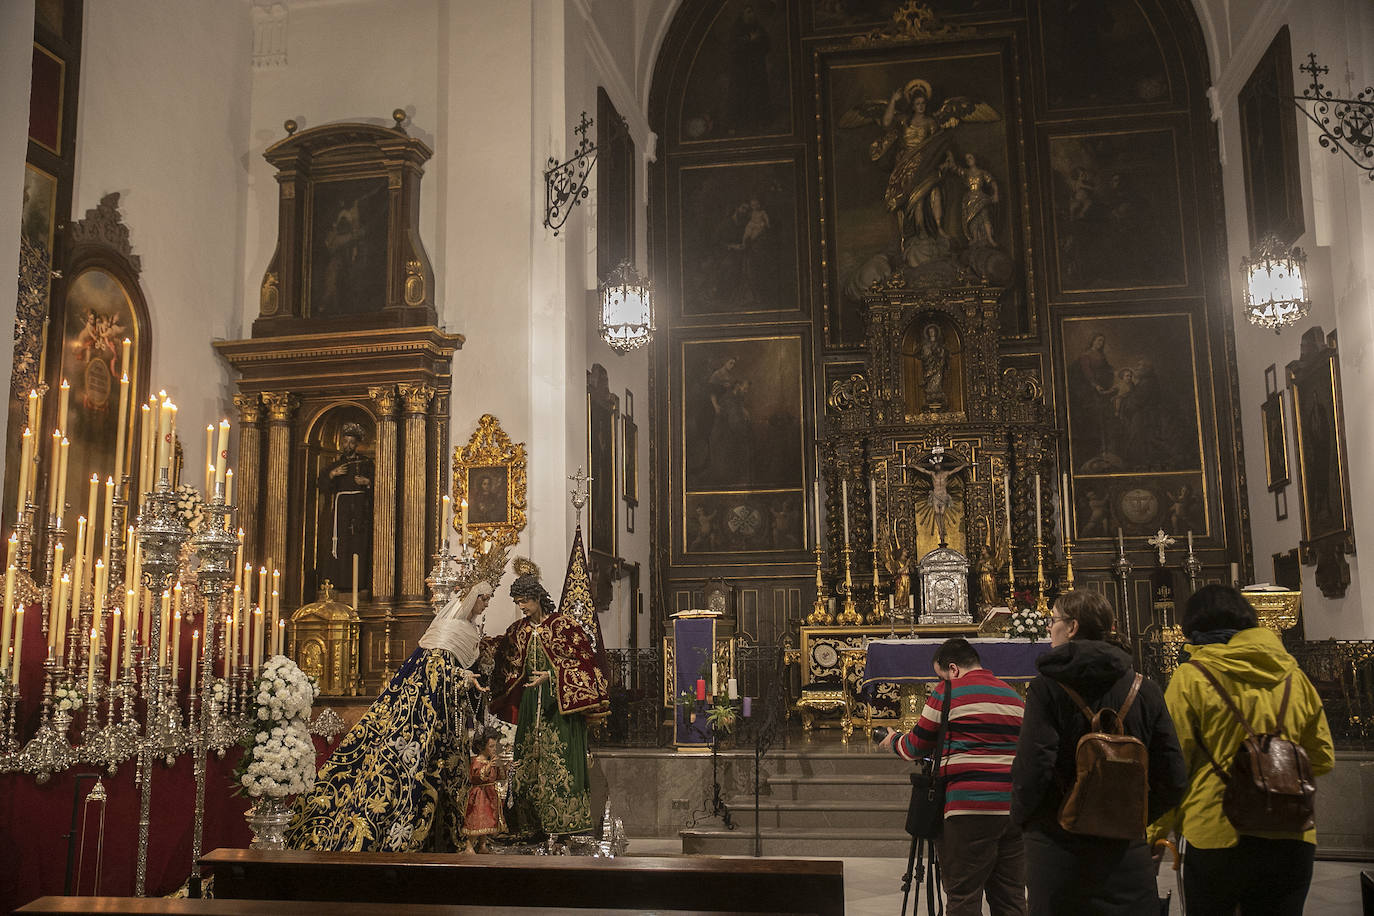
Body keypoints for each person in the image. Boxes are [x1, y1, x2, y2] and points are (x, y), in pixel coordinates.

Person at [1148, 586, 1334, 916]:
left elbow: (1172, 766)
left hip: (1216, 835)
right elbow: (1322, 756)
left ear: (1192, 627)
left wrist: (1154, 833)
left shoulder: (1191, 678)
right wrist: (1274, 767)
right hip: (1291, 831)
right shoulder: (1294, 677)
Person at [1010, 590, 1187, 915]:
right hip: (1125, 850)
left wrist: (1026, 822)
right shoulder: (1145, 689)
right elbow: (1174, 777)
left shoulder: (1046, 688)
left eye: (1053, 620)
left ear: (1073, 627)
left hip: (1057, 849)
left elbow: (1033, 768)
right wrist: (1130, 814)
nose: (1049, 627)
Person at [286, 580, 495, 852]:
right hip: (423, 717)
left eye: (489, 599)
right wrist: (462, 676)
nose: (486, 604)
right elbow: (434, 669)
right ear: (470, 598)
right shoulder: (450, 628)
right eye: (484, 598)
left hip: (447, 716)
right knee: (416, 774)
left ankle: (447, 840)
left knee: (449, 775)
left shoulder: (468, 629)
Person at [880, 638, 1027, 916]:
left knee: (963, 896)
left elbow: (914, 747)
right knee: (1011, 897)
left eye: (940, 675)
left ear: (953, 669)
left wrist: (894, 740)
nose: (941, 681)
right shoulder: (1013, 696)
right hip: (1012, 807)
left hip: (968, 808)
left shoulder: (947, 690)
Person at [494, 569, 609, 838]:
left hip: (560, 705)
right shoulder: (518, 630)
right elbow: (504, 662)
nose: (522, 606)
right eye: (518, 602)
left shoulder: (564, 627)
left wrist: (552, 675)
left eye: (525, 601)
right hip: (529, 703)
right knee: (529, 761)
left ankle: (564, 824)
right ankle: (531, 825)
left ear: (537, 598)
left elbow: (587, 665)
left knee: (559, 760)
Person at [317, 422, 374, 596]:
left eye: (351, 442)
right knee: (340, 544)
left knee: (358, 543)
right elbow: (322, 484)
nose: (347, 445)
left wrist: (367, 482)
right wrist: (333, 474)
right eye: (345, 442)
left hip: (359, 509)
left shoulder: (365, 463)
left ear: (356, 445)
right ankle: (338, 582)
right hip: (341, 510)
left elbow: (380, 482)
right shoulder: (337, 465)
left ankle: (359, 583)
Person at [463, 729, 507, 852]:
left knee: (488, 820)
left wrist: (505, 767)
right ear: (481, 747)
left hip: (490, 794)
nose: (494, 749)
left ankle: (482, 844)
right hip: (480, 795)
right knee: (477, 820)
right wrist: (489, 766)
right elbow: (476, 776)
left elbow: (498, 776)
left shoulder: (490, 760)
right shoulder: (476, 761)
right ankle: (469, 845)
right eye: (491, 746)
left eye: (495, 746)